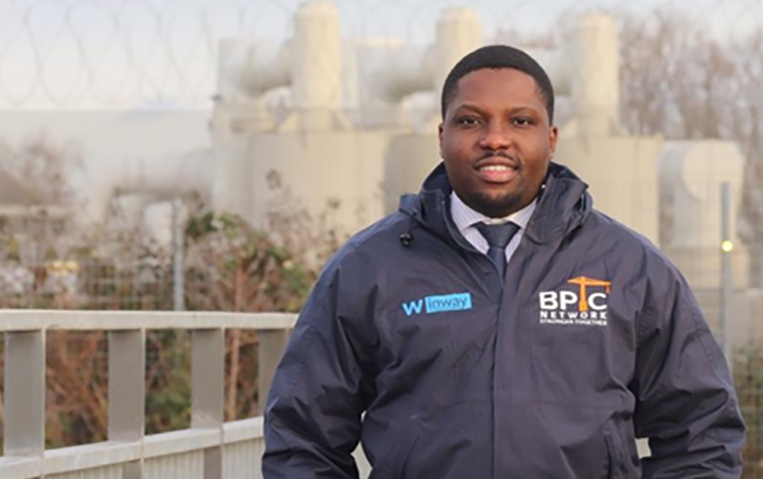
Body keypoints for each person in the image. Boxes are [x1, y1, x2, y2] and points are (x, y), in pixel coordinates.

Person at [262, 45, 745, 478]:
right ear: (442, 135)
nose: (496, 139)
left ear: (551, 138)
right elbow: (303, 438)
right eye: (471, 121)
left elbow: (702, 432)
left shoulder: (630, 268)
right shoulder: (369, 267)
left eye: (520, 121)